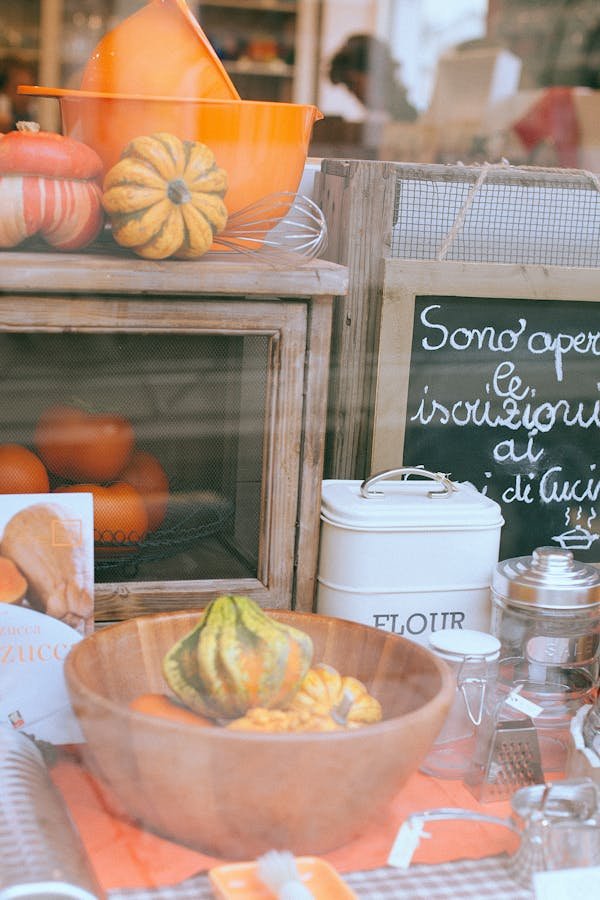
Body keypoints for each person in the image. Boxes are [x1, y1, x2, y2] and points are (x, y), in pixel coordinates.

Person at [328, 33, 417, 123]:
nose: (353, 93)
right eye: (349, 87)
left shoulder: (410, 119)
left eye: (352, 84)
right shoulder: (385, 118)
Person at [0, 56, 36, 133]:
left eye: (29, 89)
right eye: (20, 89)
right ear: (4, 89)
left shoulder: (28, 114)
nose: (25, 96)